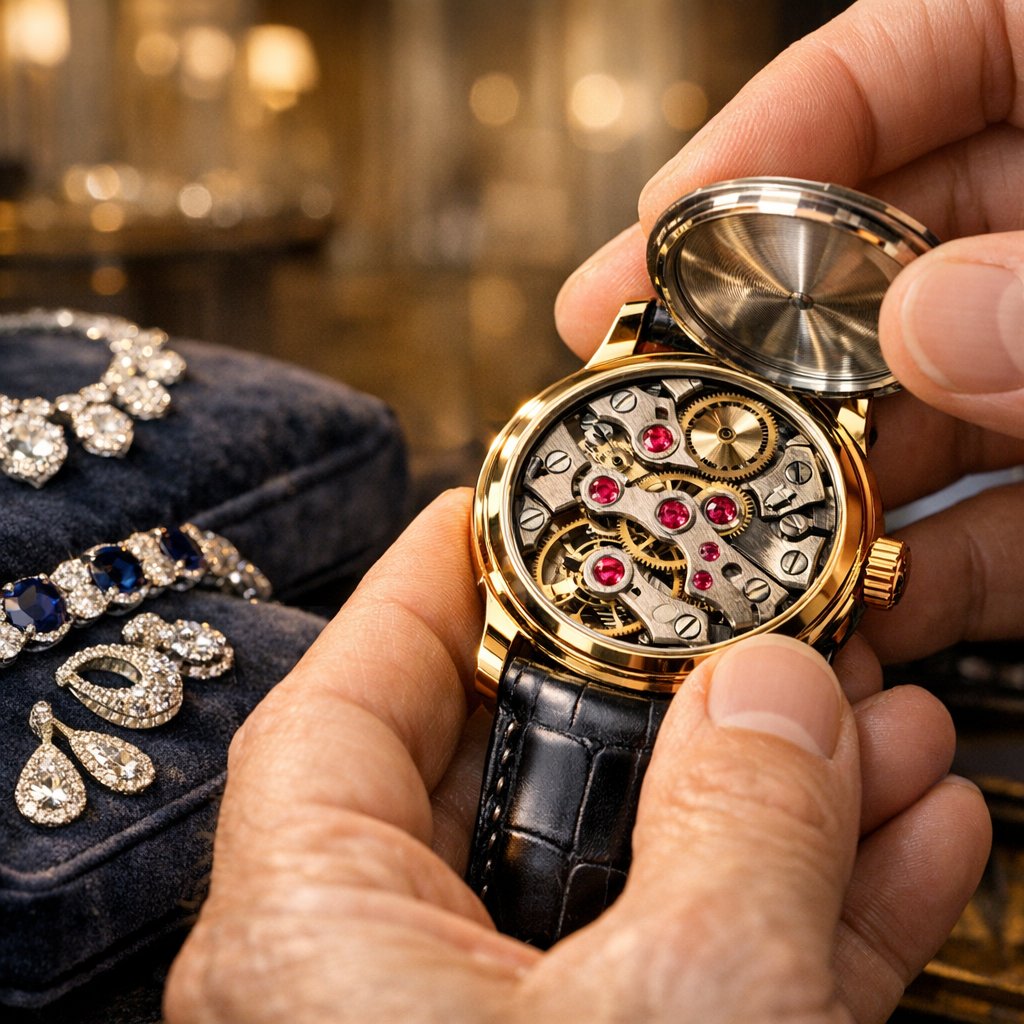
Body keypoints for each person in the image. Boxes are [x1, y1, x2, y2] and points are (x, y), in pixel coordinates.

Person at [164, 0, 1024, 1019]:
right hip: (544, 628)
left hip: (625, 630)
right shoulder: (618, 382)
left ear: (855, 569)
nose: (672, 508)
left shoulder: (838, 443)